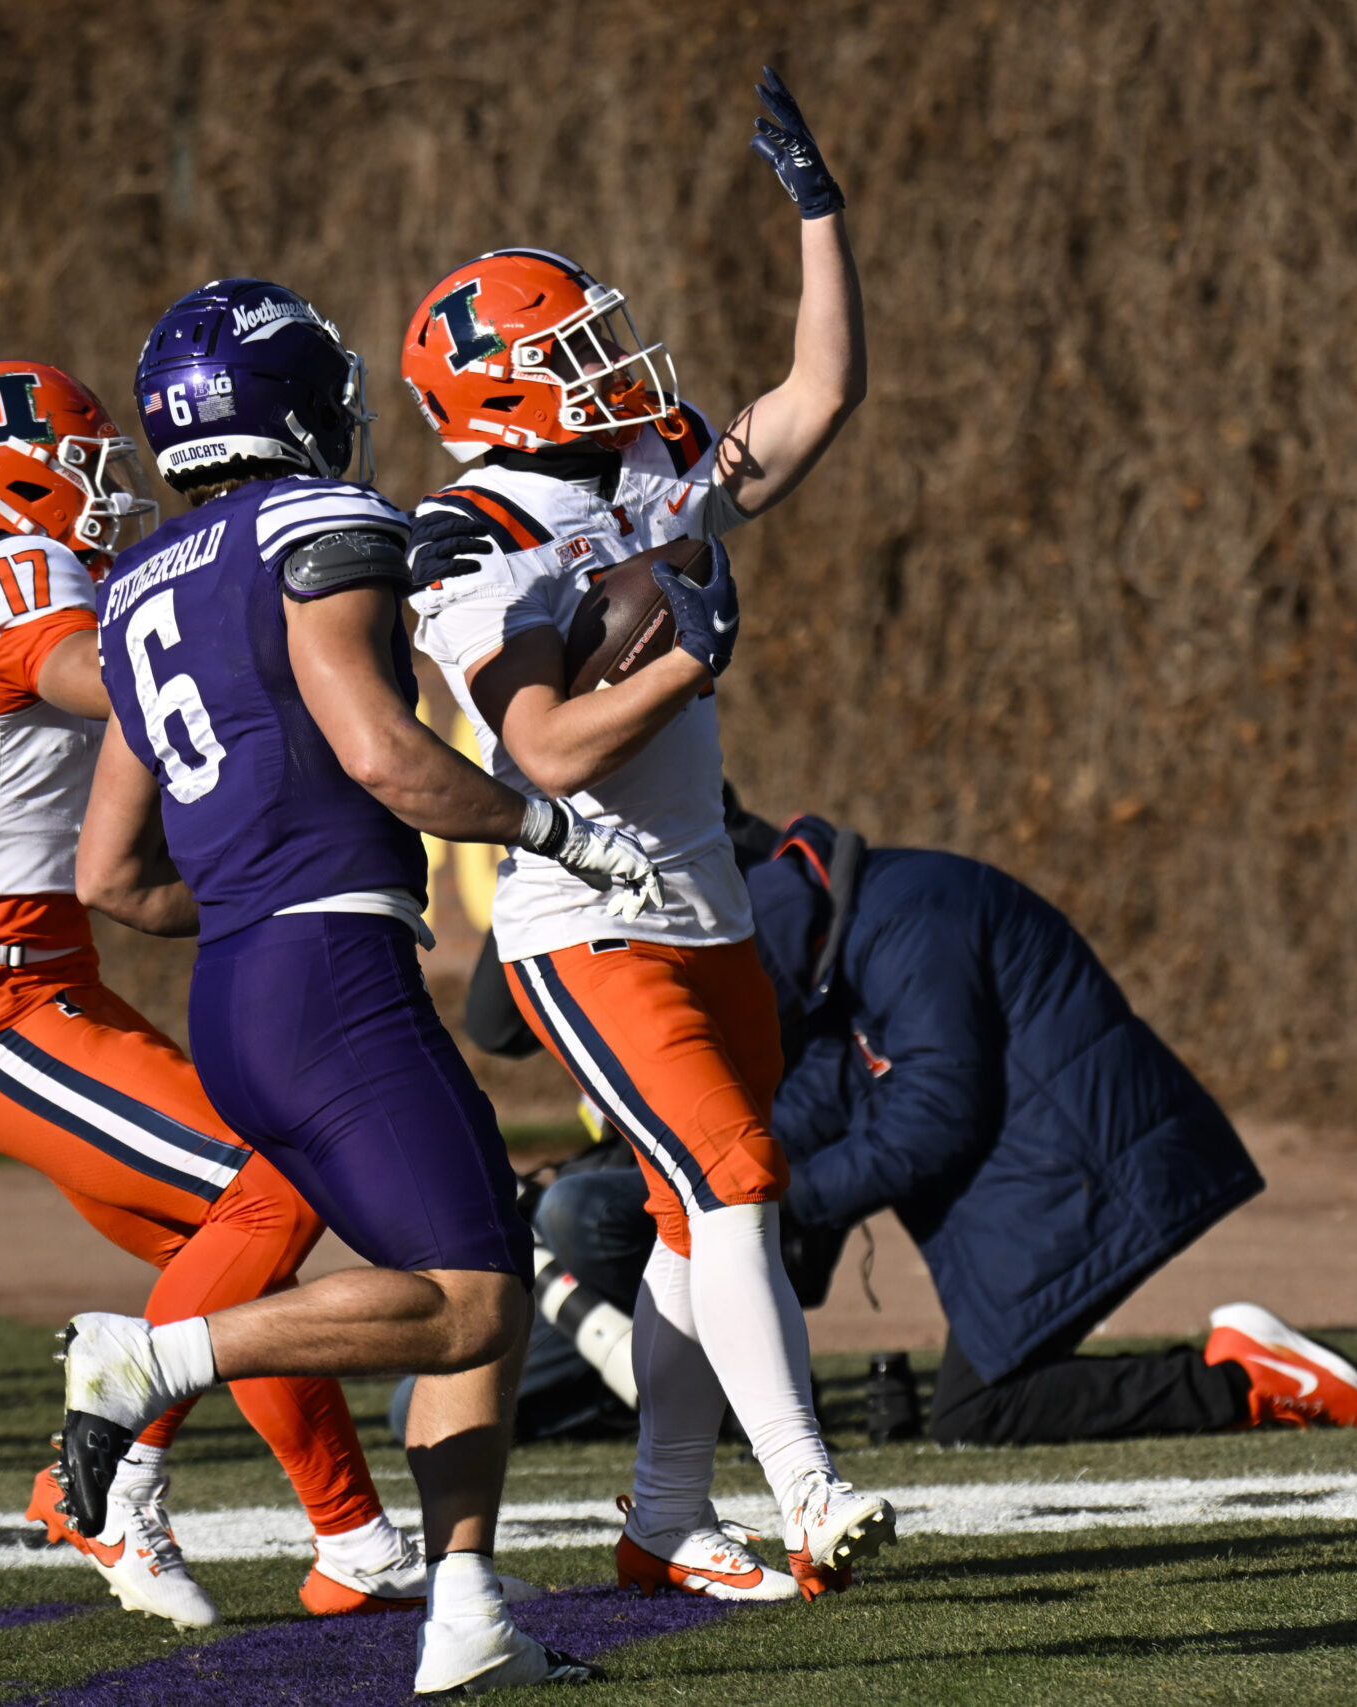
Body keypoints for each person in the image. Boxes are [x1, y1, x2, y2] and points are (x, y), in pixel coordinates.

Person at [64, 277, 654, 1694]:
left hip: (245, 988)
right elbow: (388, 755)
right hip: (332, 969)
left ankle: (464, 1606)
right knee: (471, 1296)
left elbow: (112, 876)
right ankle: (148, 1361)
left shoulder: (143, 577)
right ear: (303, 399)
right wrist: (558, 826)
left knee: (471, 1275)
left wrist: (262, 893)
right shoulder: (319, 528)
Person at [396, 68, 893, 1608]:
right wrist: (688, 656)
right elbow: (537, 742)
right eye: (573, 354)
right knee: (736, 1173)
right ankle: (807, 1488)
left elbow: (814, 401)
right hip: (579, 917)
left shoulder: (636, 458)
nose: (613, 366)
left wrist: (820, 211)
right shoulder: (466, 535)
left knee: (701, 1202)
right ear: (494, 393)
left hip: (702, 900)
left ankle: (666, 1514)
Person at [0, 359, 437, 1629]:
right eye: (80, 462)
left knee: (227, 1262)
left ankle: (357, 1540)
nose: (103, 489)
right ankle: (93, 1478)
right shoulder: (9, 577)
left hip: (35, 991)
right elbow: (103, 682)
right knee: (271, 1182)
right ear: (5, 475)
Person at [535, 815, 1357, 1447]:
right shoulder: (863, 923)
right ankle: (1241, 1371)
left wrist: (787, 1201)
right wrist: (714, 1167)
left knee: (981, 1412)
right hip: (1050, 1158)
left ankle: (1248, 1381)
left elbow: (936, 1111)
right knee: (977, 1410)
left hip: (1080, 1162)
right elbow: (831, 1098)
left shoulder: (906, 922)